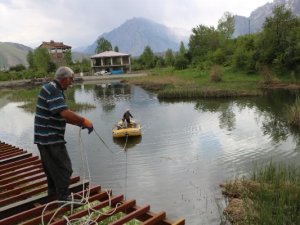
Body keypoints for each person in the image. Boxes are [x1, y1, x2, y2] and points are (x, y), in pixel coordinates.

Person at [34, 66, 94, 201]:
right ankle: (63, 199)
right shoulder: (53, 89)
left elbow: (61, 116)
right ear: (65, 79)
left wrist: (79, 123)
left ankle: (52, 194)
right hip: (50, 138)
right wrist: (84, 121)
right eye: (71, 80)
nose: (71, 83)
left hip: (43, 137)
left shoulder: (52, 88)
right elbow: (65, 113)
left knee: (51, 168)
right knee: (64, 168)